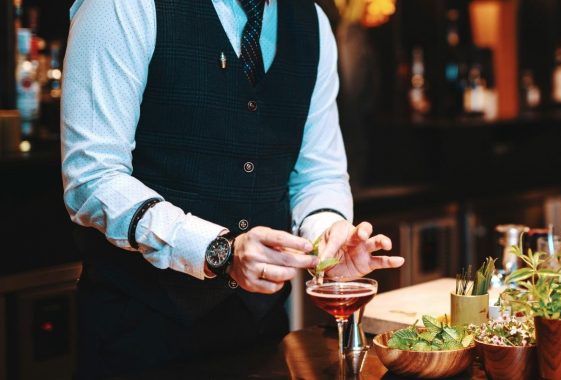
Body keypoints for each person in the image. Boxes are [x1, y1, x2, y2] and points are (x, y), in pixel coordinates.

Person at [60, 0, 404, 377]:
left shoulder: (312, 21)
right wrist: (219, 251)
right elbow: (92, 177)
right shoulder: (121, 7)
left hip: (260, 333)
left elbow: (318, 173)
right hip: (139, 335)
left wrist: (328, 238)